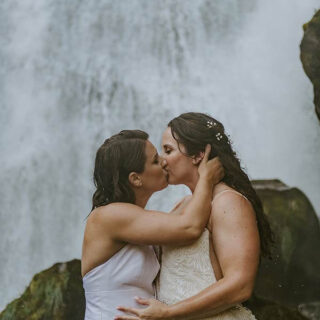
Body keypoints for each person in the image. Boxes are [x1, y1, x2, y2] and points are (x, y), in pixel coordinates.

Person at [115, 113, 274, 320]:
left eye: (168, 150)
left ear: (198, 155)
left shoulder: (227, 202)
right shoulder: (183, 205)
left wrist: (170, 313)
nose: (162, 161)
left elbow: (241, 285)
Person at [81, 129, 224, 319]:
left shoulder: (137, 220)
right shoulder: (109, 215)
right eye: (156, 160)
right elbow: (189, 228)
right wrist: (206, 178)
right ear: (135, 179)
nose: (165, 161)